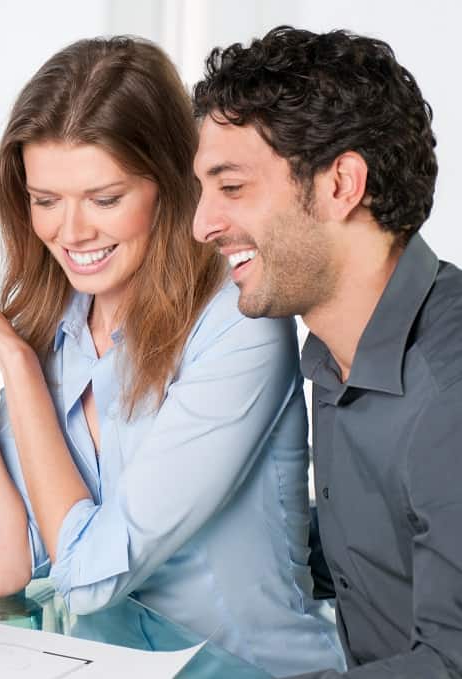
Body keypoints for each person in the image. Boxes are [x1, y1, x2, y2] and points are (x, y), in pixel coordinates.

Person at [0, 36, 342, 676]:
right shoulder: (61, 323)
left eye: (105, 200)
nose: (70, 233)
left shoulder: (238, 327)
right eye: (46, 200)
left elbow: (88, 577)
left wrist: (17, 367)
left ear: (170, 185)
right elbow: (1, 567)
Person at [192, 26, 461, 679]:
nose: (200, 225)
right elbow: (371, 551)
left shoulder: (447, 388)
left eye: (230, 187)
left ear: (341, 184)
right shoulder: (329, 356)